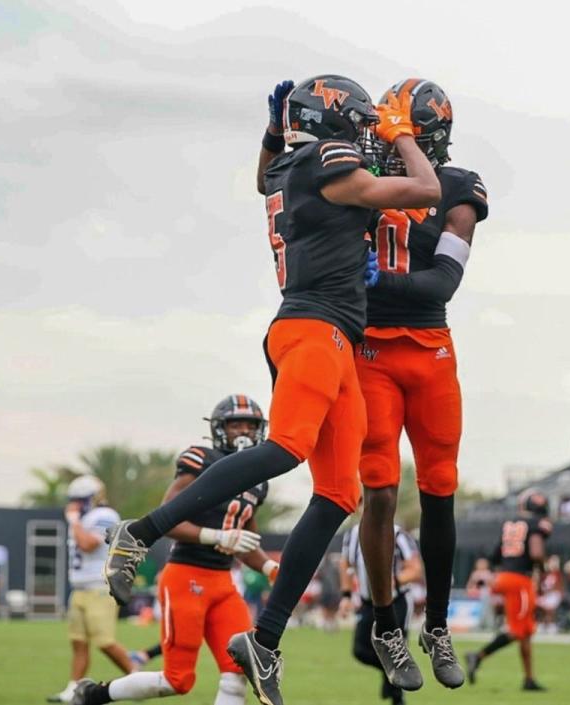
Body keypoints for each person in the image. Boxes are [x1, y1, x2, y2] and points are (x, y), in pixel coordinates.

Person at [101, 75, 440, 705]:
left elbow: (266, 176)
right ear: (335, 121)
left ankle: (264, 640)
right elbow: (425, 187)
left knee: (340, 494)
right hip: (311, 328)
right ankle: (141, 532)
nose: (371, 132)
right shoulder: (321, 159)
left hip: (332, 332)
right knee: (287, 447)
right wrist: (398, 133)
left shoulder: (290, 162)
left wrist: (270, 134)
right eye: (362, 121)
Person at [355, 78, 488, 692]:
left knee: (439, 488)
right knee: (379, 490)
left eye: (402, 133)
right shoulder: (352, 172)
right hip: (368, 352)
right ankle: (386, 622)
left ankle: (436, 624)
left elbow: (440, 286)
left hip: (429, 349)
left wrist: (371, 284)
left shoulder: (457, 186)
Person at [74, 396, 281, 705]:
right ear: (218, 429)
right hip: (186, 578)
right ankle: (95, 693)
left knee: (239, 668)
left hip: (223, 584)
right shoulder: (202, 460)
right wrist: (216, 536)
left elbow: (245, 540)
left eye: (250, 425)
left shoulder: (257, 479)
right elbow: (165, 519)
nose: (243, 431)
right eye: (235, 424)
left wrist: (269, 568)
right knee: (178, 680)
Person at [48, 477, 134, 704]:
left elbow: (88, 544)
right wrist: (76, 520)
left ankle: (137, 679)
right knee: (78, 641)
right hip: (80, 588)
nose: (74, 505)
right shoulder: (86, 517)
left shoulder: (104, 515)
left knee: (105, 641)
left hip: (99, 587)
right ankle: (73, 688)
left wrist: (74, 521)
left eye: (79, 500)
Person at [465, 489, 552, 691]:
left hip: (505, 577)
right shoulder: (537, 524)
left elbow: (495, 556)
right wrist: (543, 569)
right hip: (520, 581)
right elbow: (537, 552)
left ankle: (529, 679)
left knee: (526, 631)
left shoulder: (511, 524)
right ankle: (478, 656)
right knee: (518, 630)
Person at [339, 520, 422, 705]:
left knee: (395, 651)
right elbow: (345, 564)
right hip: (368, 602)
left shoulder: (399, 534)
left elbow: (415, 569)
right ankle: (391, 673)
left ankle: (398, 699)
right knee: (360, 650)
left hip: (396, 601)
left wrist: (394, 580)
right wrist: (345, 595)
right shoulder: (352, 535)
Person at [536, 557, 563, 634]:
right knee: (539, 606)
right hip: (545, 595)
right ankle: (542, 623)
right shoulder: (544, 574)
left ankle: (551, 625)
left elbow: (558, 586)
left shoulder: (557, 574)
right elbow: (540, 585)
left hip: (553, 595)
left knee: (550, 608)